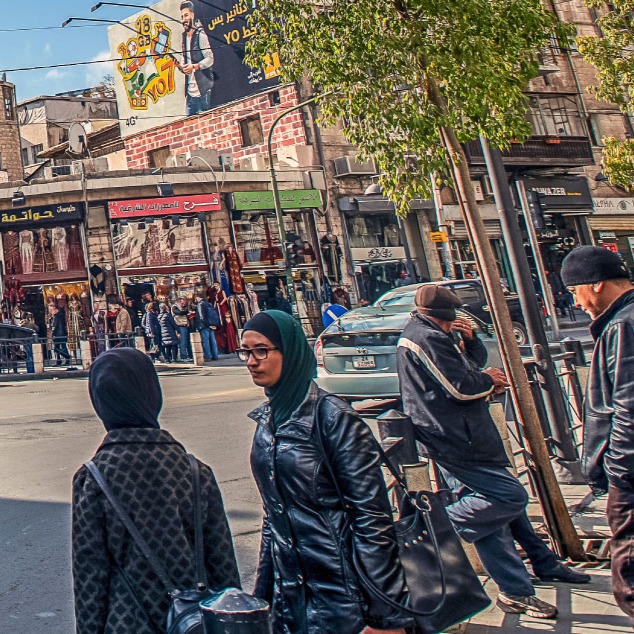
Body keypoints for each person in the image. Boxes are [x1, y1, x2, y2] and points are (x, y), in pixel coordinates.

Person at [241, 310, 412, 634]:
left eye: (261, 350)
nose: (251, 361)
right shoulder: (268, 423)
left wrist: (387, 617)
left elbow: (372, 519)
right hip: (289, 600)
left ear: (288, 351)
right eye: (246, 352)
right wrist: (261, 600)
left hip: (343, 598)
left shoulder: (333, 418)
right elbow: (273, 517)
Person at [397, 285, 558, 619]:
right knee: (509, 496)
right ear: (446, 317)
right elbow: (460, 385)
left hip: (465, 435)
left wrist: (470, 344)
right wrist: (489, 380)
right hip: (455, 439)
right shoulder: (425, 338)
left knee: (489, 521)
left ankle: (515, 590)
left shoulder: (436, 335)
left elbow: (466, 368)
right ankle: (439, 530)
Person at [72, 348, 240, 633]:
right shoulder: (196, 472)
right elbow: (224, 570)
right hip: (194, 621)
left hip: (125, 622)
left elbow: (90, 581)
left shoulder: (94, 479)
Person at [561, 246, 634, 621]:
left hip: (630, 474)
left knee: (629, 577)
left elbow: (628, 406)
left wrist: (619, 472)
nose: (577, 300)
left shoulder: (623, 325)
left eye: (576, 291)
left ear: (597, 284)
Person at [179, 0, 214, 116]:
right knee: (189, 129)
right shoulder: (183, 38)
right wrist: (180, 67)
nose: (183, 19)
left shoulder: (200, 35)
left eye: (186, 15)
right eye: (182, 17)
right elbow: (185, 61)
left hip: (203, 92)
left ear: (192, 15)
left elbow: (210, 59)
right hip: (190, 95)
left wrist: (195, 66)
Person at [194, 293, 219, 361]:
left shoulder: (200, 304)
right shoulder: (209, 304)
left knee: (205, 341)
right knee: (213, 341)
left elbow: (202, 316)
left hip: (204, 325)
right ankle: (215, 355)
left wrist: (207, 324)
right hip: (212, 324)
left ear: (198, 297)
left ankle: (208, 356)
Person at [172, 296, 192, 361]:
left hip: (185, 326)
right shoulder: (174, 307)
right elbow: (179, 313)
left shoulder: (182, 307)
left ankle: (189, 355)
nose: (184, 303)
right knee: (182, 342)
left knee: (186, 342)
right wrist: (187, 311)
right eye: (183, 302)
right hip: (180, 326)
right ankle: (183, 356)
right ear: (179, 301)